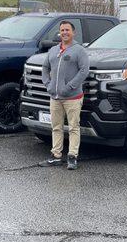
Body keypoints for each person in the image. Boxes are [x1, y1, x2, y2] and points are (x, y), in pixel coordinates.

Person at [39, 20, 90, 170]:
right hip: (55, 97)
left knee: (74, 127)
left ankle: (72, 156)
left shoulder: (79, 50)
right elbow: (45, 67)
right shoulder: (53, 50)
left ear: (73, 32)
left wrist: (70, 87)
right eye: (62, 30)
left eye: (67, 30)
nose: (64, 32)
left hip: (73, 97)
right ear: (59, 33)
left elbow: (84, 71)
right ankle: (56, 156)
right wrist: (48, 84)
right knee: (56, 127)